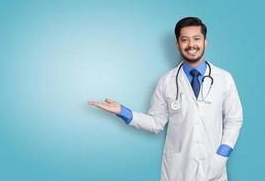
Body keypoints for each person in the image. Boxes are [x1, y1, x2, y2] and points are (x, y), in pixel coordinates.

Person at [87, 17, 243, 181]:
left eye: (196, 38)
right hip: (178, 171)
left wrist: (222, 154)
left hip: (214, 168)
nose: (191, 45)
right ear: (178, 44)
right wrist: (123, 112)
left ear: (205, 42)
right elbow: (156, 122)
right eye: (184, 40)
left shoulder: (224, 79)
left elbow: (234, 120)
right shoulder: (166, 81)